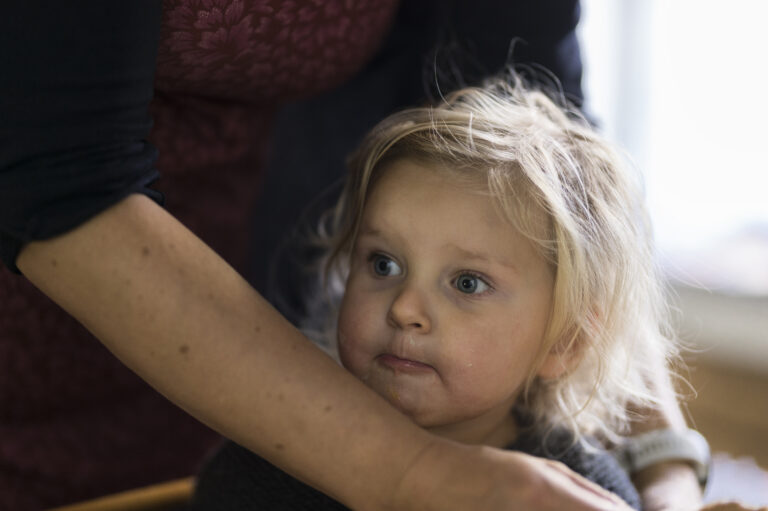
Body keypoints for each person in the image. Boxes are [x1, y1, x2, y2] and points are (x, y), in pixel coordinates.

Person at [1, 1, 706, 510]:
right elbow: (56, 170)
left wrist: (665, 462)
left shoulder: (587, 487)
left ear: (568, 339)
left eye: (467, 282)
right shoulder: (258, 482)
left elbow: (534, 87)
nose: (404, 308)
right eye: (382, 265)